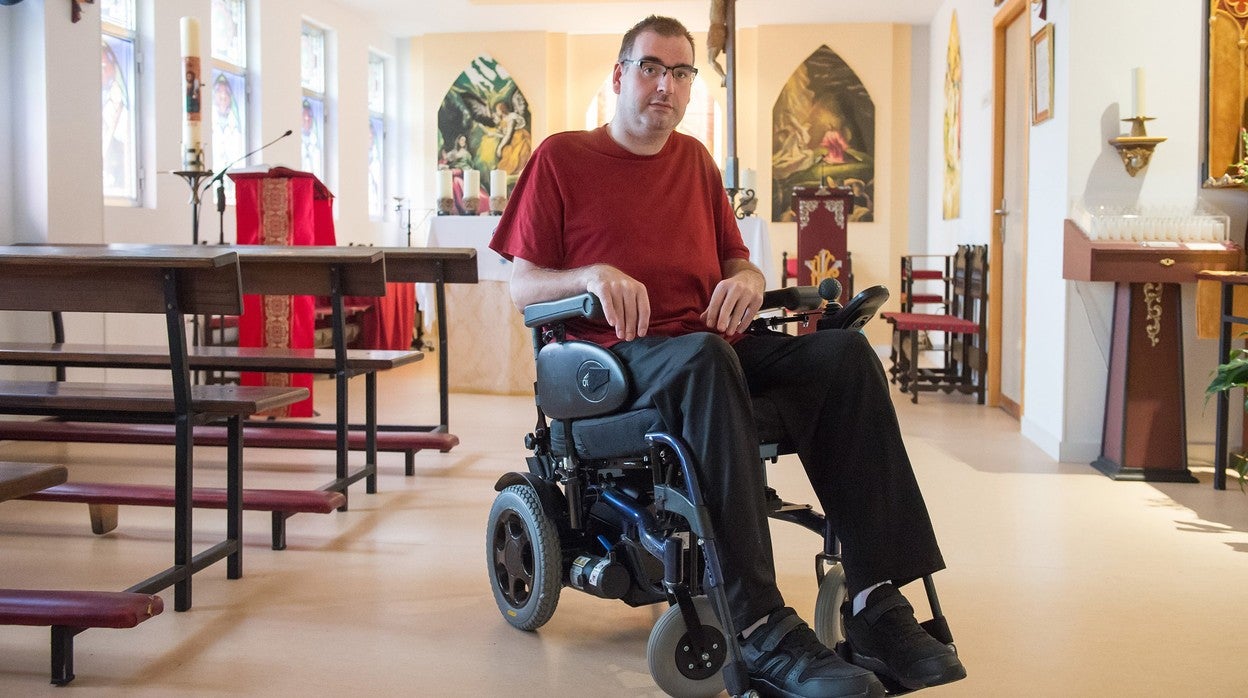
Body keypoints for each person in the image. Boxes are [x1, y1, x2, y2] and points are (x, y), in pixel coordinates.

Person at [490, 15, 966, 698]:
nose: (667, 86)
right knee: (707, 359)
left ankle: (876, 605)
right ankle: (760, 626)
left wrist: (745, 279)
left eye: (681, 74)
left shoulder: (695, 162)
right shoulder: (562, 158)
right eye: (652, 68)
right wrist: (591, 275)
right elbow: (523, 284)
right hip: (616, 363)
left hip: (710, 347)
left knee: (846, 358)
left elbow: (734, 260)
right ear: (621, 75)